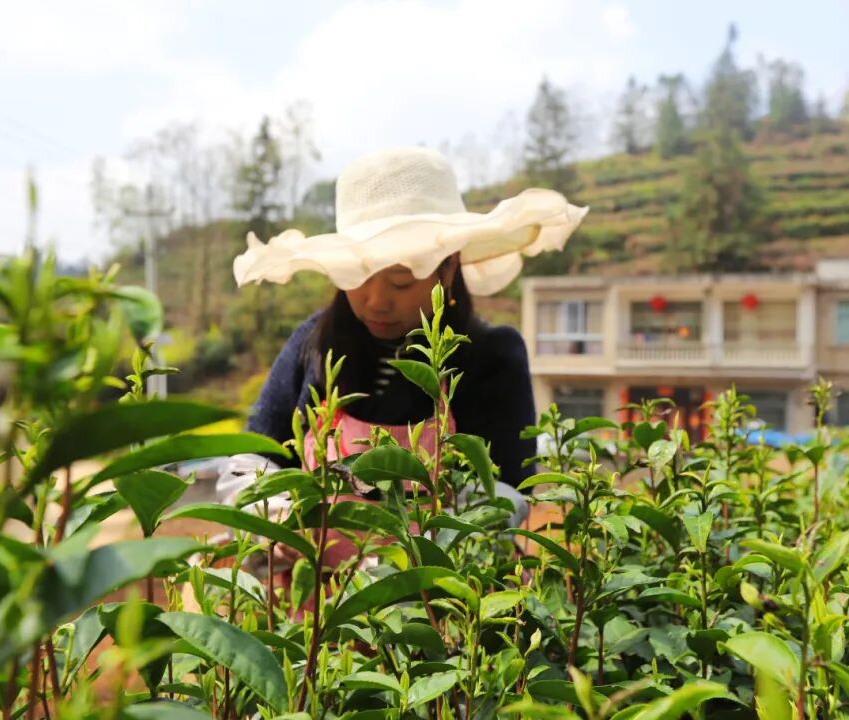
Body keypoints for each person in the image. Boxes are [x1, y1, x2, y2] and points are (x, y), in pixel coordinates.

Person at [216, 145, 587, 571]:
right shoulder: (313, 344)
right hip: (307, 620)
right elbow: (253, 459)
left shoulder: (490, 358)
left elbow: (503, 498)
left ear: (447, 269)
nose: (376, 302)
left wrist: (397, 570)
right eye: (359, 279)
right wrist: (273, 518)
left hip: (431, 612)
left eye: (400, 281)